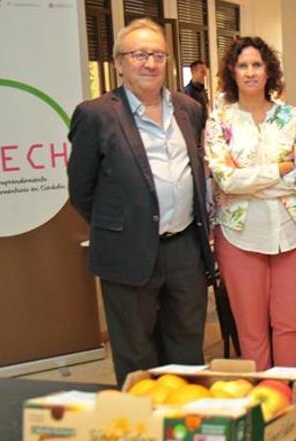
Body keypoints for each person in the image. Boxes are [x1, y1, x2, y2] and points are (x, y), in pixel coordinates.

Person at [67, 19, 215, 386]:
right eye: (139, 54)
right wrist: (123, 224)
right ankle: (141, 433)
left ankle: (183, 425)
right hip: (127, 251)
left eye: (157, 55)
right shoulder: (96, 115)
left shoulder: (188, 109)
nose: (149, 63)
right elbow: (81, 189)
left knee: (186, 350)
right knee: (136, 353)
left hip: (184, 249)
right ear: (119, 63)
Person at [205, 36, 296, 371]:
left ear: (269, 71)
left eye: (257, 64)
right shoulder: (219, 120)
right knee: (251, 332)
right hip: (239, 235)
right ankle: (262, 412)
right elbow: (226, 180)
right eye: (243, 65)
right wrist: (278, 170)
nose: (250, 72)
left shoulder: (291, 116)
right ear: (232, 72)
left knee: (288, 327)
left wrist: (250, 179)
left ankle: (290, 405)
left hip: (293, 232)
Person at [183, 59, 209, 124]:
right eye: (202, 72)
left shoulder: (203, 90)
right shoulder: (187, 93)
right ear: (193, 72)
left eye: (206, 72)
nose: (205, 75)